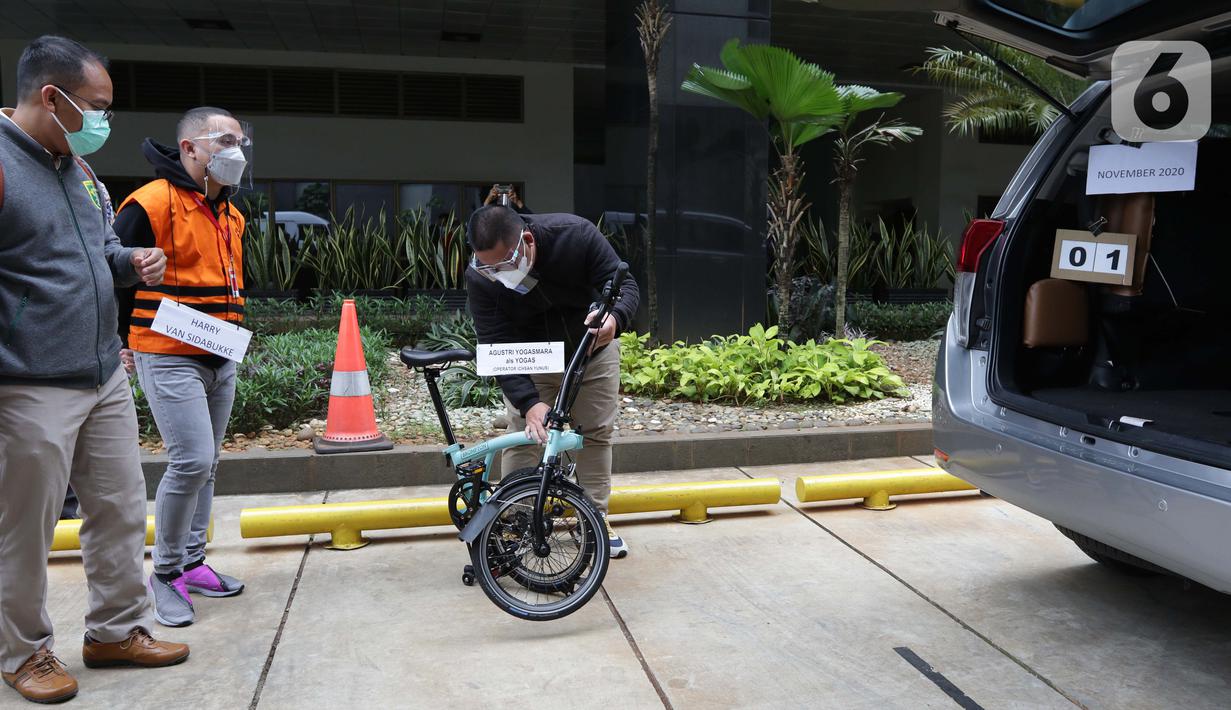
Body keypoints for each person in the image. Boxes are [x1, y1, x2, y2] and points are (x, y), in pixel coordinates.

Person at [0, 35, 189, 705]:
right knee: (24, 525)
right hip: (26, 383)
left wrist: (128, 262)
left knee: (117, 507)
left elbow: (100, 247)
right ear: (51, 98)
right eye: (96, 106)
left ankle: (114, 630)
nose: (104, 120)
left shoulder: (78, 171)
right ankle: (22, 652)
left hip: (102, 370)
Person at [114, 106, 250, 628]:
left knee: (208, 461)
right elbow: (112, 269)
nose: (235, 151)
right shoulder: (149, 204)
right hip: (167, 352)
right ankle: (165, 572)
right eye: (223, 140)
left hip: (221, 353)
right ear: (189, 148)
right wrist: (118, 341)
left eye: (240, 141)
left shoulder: (232, 214)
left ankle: (192, 562)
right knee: (191, 460)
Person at [466, 205, 639, 558]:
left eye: (504, 265)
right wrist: (528, 403)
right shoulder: (479, 275)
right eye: (489, 267)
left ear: (526, 241)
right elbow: (494, 340)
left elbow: (624, 284)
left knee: (594, 434)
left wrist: (614, 320)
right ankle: (514, 524)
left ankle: (594, 518)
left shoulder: (575, 234)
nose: (498, 275)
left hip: (593, 349)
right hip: (532, 359)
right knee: (526, 437)